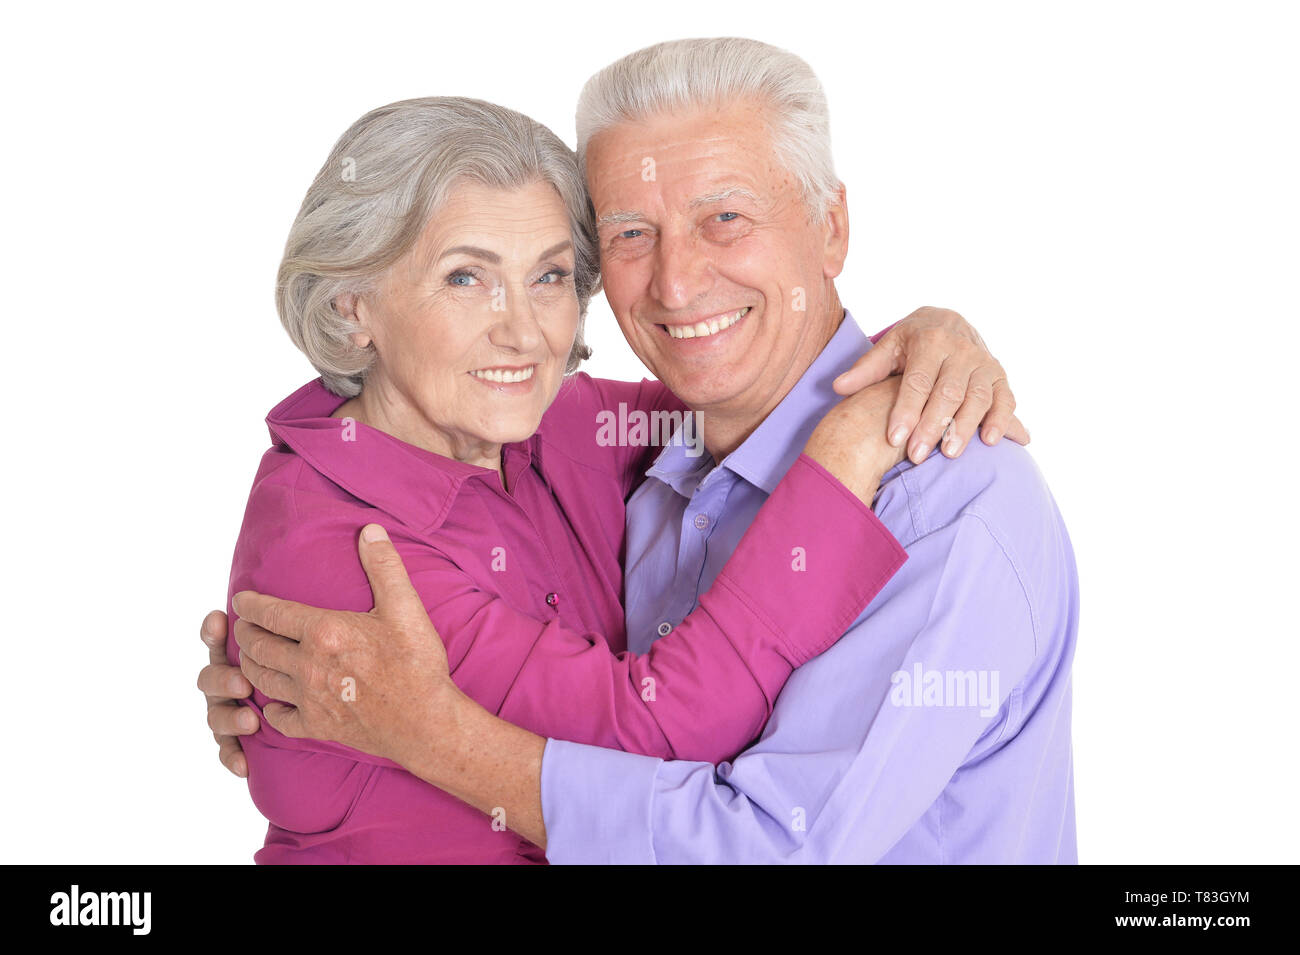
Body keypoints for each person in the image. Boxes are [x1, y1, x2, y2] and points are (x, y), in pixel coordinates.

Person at [212, 93, 1023, 863]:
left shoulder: (554, 423)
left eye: (551, 275)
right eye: (466, 277)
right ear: (354, 306)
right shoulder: (338, 546)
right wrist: (843, 457)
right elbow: (663, 726)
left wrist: (922, 347)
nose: (524, 332)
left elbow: (749, 387)